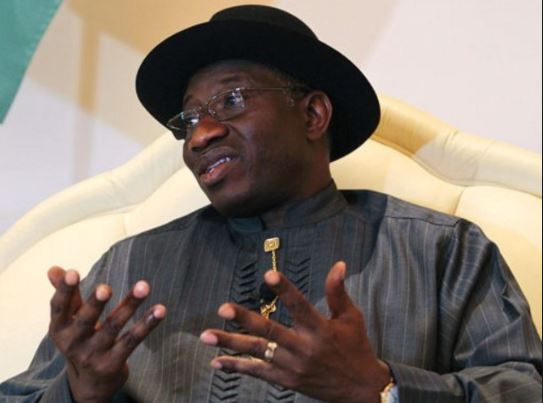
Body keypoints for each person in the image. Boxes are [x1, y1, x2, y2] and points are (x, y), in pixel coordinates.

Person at [0, 5, 541, 403]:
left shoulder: (441, 250)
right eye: (189, 119)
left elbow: (524, 390)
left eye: (231, 100)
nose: (200, 135)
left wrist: (381, 388)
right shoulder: (127, 268)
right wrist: (80, 392)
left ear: (312, 115)